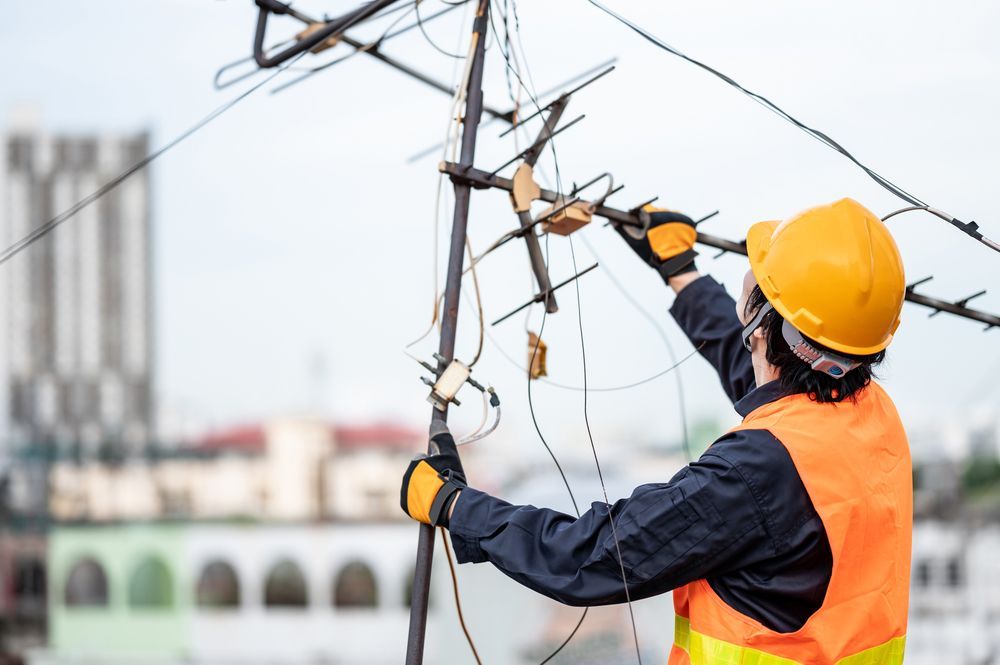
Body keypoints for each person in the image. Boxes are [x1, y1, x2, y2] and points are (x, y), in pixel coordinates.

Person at [400, 198, 912, 664]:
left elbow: (592, 556)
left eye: (759, 274)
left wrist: (455, 506)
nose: (749, 275)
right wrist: (682, 273)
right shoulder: (871, 415)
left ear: (760, 323)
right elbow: (764, 370)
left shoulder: (754, 474)